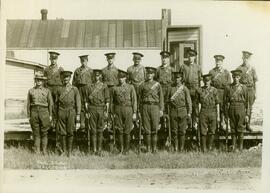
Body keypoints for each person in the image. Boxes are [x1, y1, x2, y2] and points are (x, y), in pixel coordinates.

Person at [83, 69, 110, 155]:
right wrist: (87, 111)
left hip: (101, 109)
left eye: (98, 75)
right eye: (95, 75)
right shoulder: (89, 86)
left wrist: (106, 112)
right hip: (92, 109)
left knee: (100, 130)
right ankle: (94, 150)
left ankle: (99, 150)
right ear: (93, 76)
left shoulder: (104, 86)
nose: (96, 77)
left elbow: (107, 100)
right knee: (93, 130)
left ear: (100, 76)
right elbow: (86, 101)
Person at [55, 71, 81, 157]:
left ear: (70, 78)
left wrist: (78, 115)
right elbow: (56, 103)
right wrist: (56, 114)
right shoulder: (59, 89)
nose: (66, 79)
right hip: (61, 111)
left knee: (70, 132)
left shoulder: (74, 89)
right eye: (64, 77)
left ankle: (69, 152)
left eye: (67, 77)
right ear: (62, 78)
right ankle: (64, 151)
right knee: (62, 132)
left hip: (71, 111)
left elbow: (78, 103)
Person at [138, 67, 164, 153]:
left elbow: (161, 98)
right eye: (148, 73)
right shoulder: (142, 85)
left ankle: (154, 149)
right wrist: (139, 110)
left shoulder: (157, 84)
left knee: (155, 129)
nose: (149, 75)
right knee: (147, 129)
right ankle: (148, 149)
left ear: (153, 74)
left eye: (151, 73)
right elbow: (139, 98)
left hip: (155, 107)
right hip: (145, 107)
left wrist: (161, 109)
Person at [111, 70, 137, 154]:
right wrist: (112, 112)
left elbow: (134, 100)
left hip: (128, 109)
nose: (121, 79)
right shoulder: (114, 88)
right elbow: (112, 102)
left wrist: (134, 112)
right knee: (119, 129)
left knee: (127, 130)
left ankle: (126, 149)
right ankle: (120, 149)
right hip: (118, 109)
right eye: (119, 78)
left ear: (125, 78)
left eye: (122, 78)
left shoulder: (131, 87)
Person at [27, 73, 53, 154]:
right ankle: (37, 150)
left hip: (44, 112)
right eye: (37, 79)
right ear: (35, 80)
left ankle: (44, 150)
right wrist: (29, 116)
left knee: (44, 132)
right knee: (36, 132)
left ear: (43, 81)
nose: (39, 81)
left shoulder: (47, 91)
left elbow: (50, 103)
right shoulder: (31, 91)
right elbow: (28, 104)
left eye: (40, 80)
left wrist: (50, 115)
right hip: (34, 112)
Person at [224, 70, 249, 152]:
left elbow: (247, 102)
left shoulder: (244, 88)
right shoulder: (228, 88)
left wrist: (247, 114)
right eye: (234, 77)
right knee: (233, 128)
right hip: (232, 107)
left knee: (240, 128)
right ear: (232, 77)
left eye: (237, 77)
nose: (235, 79)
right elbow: (225, 102)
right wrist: (226, 114)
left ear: (240, 77)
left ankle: (240, 147)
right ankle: (234, 147)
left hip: (241, 108)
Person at [167, 72, 192, 152]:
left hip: (182, 110)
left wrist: (189, 112)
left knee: (182, 131)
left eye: (178, 78)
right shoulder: (170, 88)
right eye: (175, 78)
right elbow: (167, 100)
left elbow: (189, 101)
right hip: (173, 110)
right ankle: (175, 148)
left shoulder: (184, 89)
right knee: (174, 131)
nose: (176, 79)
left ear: (181, 78)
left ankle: (181, 149)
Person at [195, 74, 220, 152]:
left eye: (208, 81)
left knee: (212, 131)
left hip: (212, 111)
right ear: (203, 81)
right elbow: (198, 103)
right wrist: (198, 115)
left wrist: (218, 115)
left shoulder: (214, 90)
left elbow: (217, 103)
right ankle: (204, 148)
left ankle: (209, 147)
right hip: (203, 111)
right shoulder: (199, 90)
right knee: (203, 131)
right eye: (205, 81)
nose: (206, 82)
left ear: (210, 81)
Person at [179, 49, 202, 131]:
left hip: (195, 89)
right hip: (187, 89)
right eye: (189, 56)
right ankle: (188, 124)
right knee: (187, 106)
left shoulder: (198, 67)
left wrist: (199, 90)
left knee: (195, 107)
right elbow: (180, 79)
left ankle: (195, 124)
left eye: (192, 56)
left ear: (195, 57)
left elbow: (200, 80)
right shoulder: (183, 66)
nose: (190, 58)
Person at [156, 51, 175, 148]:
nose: (164, 59)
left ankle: (170, 137)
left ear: (169, 59)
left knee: (170, 114)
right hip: (161, 94)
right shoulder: (158, 70)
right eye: (163, 58)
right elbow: (156, 83)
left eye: (166, 58)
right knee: (161, 114)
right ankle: (161, 137)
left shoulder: (172, 69)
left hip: (169, 93)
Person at [209, 55, 231, 132]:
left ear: (222, 62)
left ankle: (222, 124)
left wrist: (228, 95)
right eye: (216, 61)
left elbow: (228, 84)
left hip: (223, 92)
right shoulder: (211, 72)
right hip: (214, 92)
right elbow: (210, 84)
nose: (218, 63)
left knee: (223, 109)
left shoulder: (226, 72)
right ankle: (215, 125)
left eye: (219, 61)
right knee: (214, 108)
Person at [236, 51, 258, 132]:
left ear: (249, 59)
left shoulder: (252, 69)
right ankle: (242, 124)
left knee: (250, 107)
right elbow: (237, 81)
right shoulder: (239, 68)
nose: (245, 60)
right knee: (242, 107)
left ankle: (248, 124)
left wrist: (256, 92)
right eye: (244, 58)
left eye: (247, 58)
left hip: (251, 89)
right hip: (243, 89)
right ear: (242, 59)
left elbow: (255, 81)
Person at [72, 55, 93, 131]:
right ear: (80, 61)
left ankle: (89, 124)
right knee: (80, 106)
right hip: (79, 89)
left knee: (88, 106)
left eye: (85, 61)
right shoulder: (77, 70)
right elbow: (74, 83)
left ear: (87, 61)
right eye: (82, 61)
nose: (83, 63)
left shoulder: (91, 71)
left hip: (88, 89)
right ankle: (82, 124)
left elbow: (94, 83)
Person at [44, 51, 64, 126]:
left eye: (55, 59)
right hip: (49, 89)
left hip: (58, 90)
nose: (53, 61)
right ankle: (51, 122)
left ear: (57, 59)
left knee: (58, 105)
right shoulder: (46, 69)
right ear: (50, 59)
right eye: (52, 59)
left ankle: (57, 122)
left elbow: (63, 81)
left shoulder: (60, 69)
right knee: (50, 105)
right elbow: (44, 81)